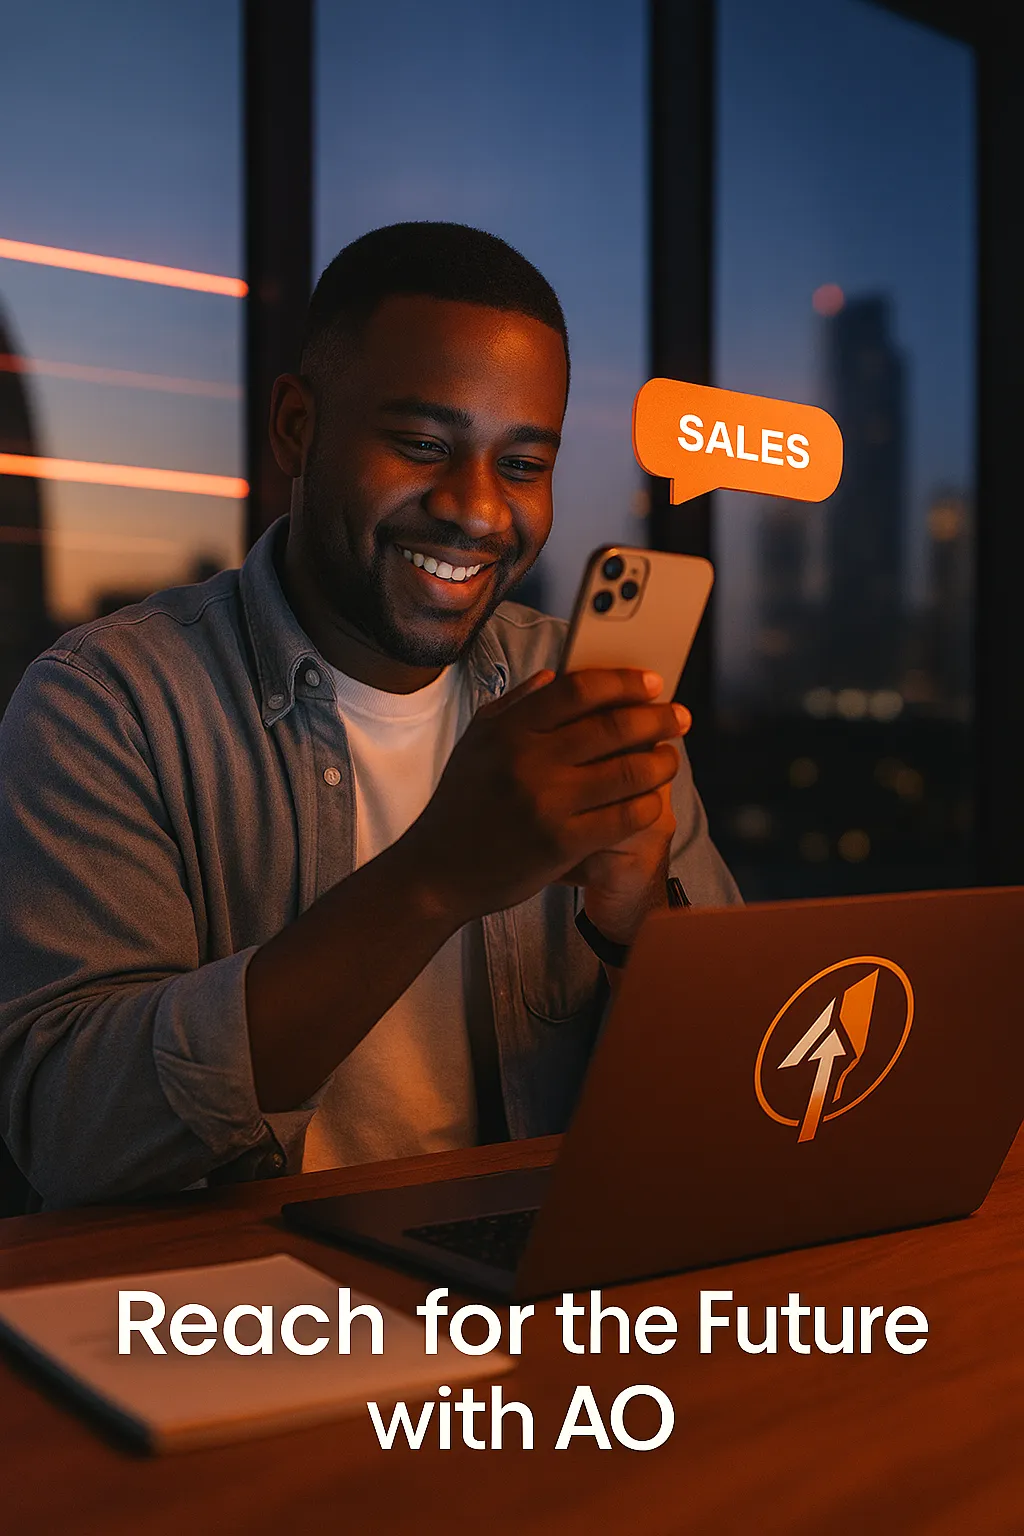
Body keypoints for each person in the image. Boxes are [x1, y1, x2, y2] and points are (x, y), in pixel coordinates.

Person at [0, 222, 739, 1210]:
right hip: (242, 1320)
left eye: (522, 466)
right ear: (296, 429)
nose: (478, 511)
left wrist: (631, 917)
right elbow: (71, 1141)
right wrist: (434, 878)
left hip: (541, 1298)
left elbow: (738, 1104)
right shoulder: (107, 704)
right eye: (424, 445)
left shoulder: (588, 698)